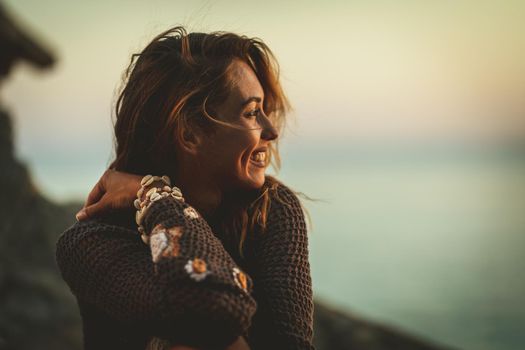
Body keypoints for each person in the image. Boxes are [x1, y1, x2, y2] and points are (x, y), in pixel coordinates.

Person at [55, 26, 314, 350]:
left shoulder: (271, 210)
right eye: (251, 112)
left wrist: (152, 193)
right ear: (190, 132)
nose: (271, 131)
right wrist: (157, 196)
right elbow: (216, 310)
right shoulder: (92, 243)